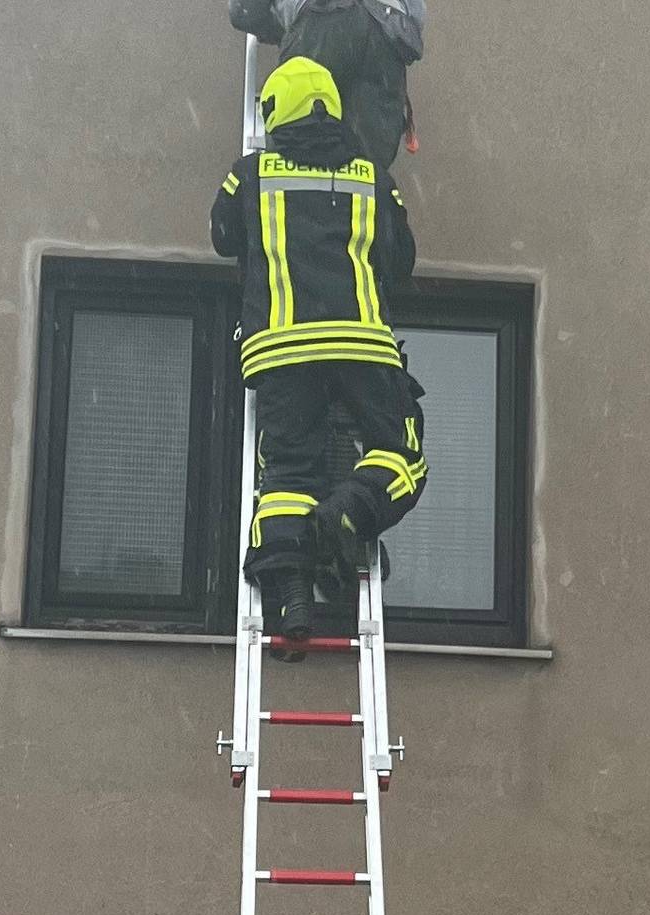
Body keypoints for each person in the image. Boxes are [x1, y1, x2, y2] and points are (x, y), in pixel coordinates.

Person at [210, 57, 427, 653]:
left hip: (281, 350)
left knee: (287, 473)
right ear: (331, 106)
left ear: (276, 112)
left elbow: (223, 236)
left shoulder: (250, 175)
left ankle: (293, 592)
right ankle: (346, 516)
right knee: (400, 452)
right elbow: (401, 261)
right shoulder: (373, 178)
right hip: (360, 345)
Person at [227, 0, 423, 171]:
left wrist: (285, 29)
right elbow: (417, 16)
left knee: (294, 158)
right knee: (367, 176)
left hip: (322, 21)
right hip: (389, 34)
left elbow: (243, 11)